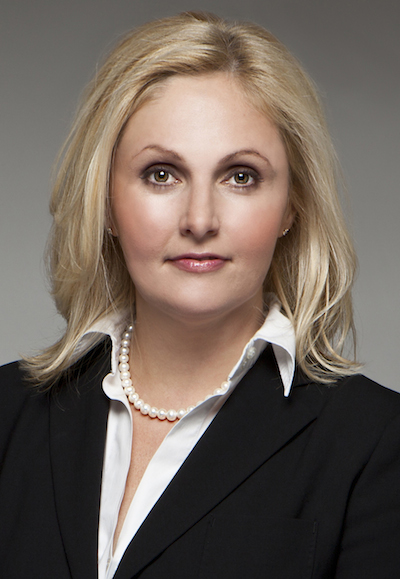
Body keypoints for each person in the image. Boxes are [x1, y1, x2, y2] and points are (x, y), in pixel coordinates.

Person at [0, 11, 399, 579]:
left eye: (241, 176)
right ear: (105, 201)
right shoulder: (7, 414)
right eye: (162, 174)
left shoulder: (377, 442)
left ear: (292, 207)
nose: (200, 219)